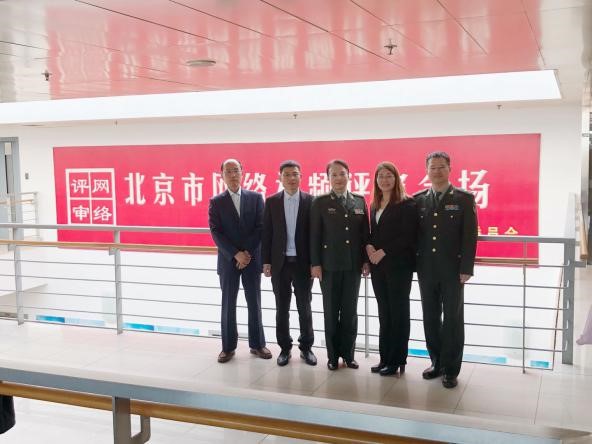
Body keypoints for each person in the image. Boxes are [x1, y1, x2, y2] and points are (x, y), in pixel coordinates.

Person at [414, 151, 478, 388]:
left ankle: (451, 369)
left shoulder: (464, 198)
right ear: (427, 171)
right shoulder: (419, 200)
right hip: (426, 269)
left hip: (453, 270)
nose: (437, 171)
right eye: (433, 167)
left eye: (441, 167)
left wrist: (466, 267)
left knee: (453, 319)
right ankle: (437, 362)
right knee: (430, 317)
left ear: (450, 169)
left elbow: (470, 236)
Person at [208, 158, 270, 363]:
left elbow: (261, 227)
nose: (233, 175)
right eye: (228, 171)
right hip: (228, 261)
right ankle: (227, 347)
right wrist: (235, 253)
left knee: (254, 302)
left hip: (251, 259)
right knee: (228, 304)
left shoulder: (256, 198)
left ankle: (258, 344)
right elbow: (216, 232)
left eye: (236, 170)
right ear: (222, 175)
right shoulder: (216, 202)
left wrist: (246, 253)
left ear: (242, 172)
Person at [310, 159, 370, 370]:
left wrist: (365, 260)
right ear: (328, 178)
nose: (338, 178)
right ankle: (333, 356)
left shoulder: (359, 201)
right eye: (334, 174)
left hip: (353, 265)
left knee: (350, 312)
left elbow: (365, 235)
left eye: (342, 173)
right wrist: (315, 264)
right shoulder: (320, 202)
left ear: (349, 175)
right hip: (329, 266)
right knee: (331, 311)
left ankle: (349, 354)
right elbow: (314, 236)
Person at [262, 160, 317, 366]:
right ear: (280, 178)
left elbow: (315, 235)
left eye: (295, 174)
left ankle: (306, 348)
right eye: (287, 175)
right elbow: (267, 233)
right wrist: (266, 261)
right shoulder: (272, 201)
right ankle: (285, 348)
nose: (291, 178)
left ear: (301, 177)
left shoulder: (311, 201)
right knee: (281, 307)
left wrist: (315, 263)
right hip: (280, 264)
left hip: (303, 264)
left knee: (305, 307)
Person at [366, 162, 418, 376]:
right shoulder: (374, 204)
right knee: (384, 312)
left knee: (398, 313)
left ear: (396, 178)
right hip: (378, 267)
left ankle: (397, 360)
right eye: (381, 176)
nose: (384, 180)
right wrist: (369, 246)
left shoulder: (407, 203)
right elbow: (373, 233)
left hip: (399, 266)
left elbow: (408, 236)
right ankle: (385, 358)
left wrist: (384, 251)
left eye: (389, 176)